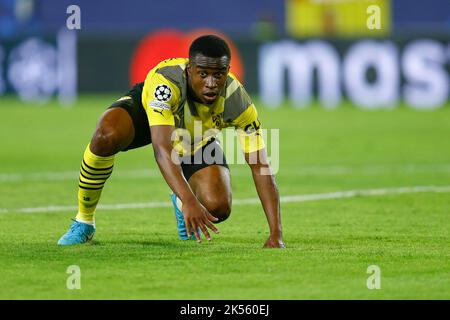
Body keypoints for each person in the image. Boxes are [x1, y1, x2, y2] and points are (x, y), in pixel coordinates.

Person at [57, 35, 285, 248]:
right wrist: (189, 200)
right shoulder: (166, 84)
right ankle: (84, 221)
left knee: (218, 207)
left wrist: (276, 233)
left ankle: (178, 199)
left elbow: (261, 166)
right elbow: (162, 150)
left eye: (219, 74)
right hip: (149, 118)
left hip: (195, 136)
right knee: (105, 136)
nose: (211, 83)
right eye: (203, 74)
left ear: (228, 71)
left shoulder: (238, 101)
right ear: (189, 70)